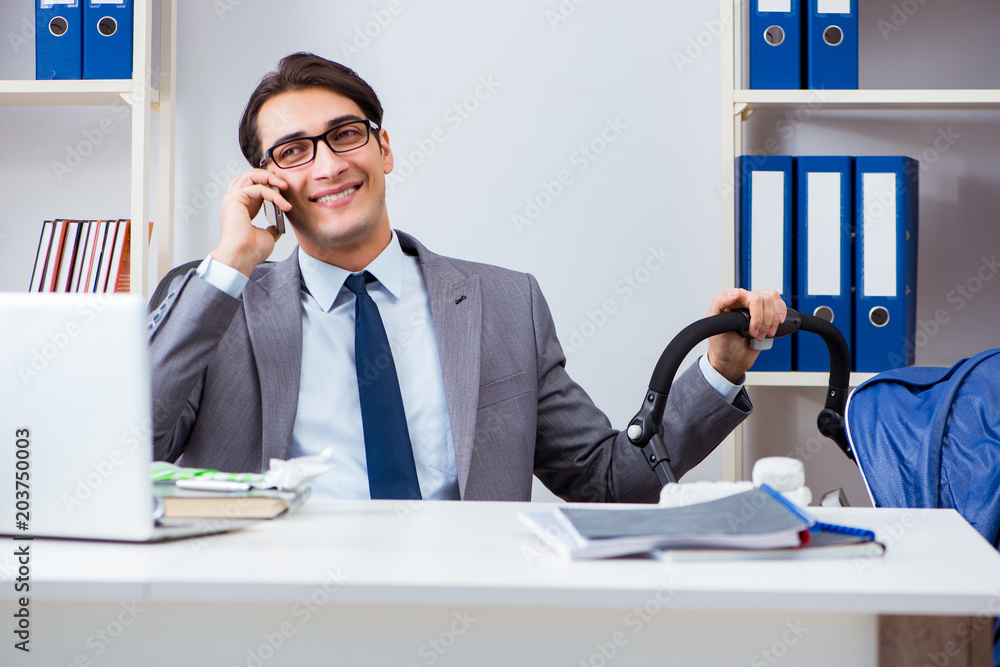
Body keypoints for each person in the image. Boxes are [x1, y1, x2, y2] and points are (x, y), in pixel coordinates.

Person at [148, 52, 786, 503]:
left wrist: (720, 369)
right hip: (270, 619)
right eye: (292, 151)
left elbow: (610, 479)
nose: (328, 165)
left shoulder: (505, 304)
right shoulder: (212, 302)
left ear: (383, 148)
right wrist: (231, 262)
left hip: (466, 615)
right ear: (264, 181)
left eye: (345, 135)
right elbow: (132, 448)